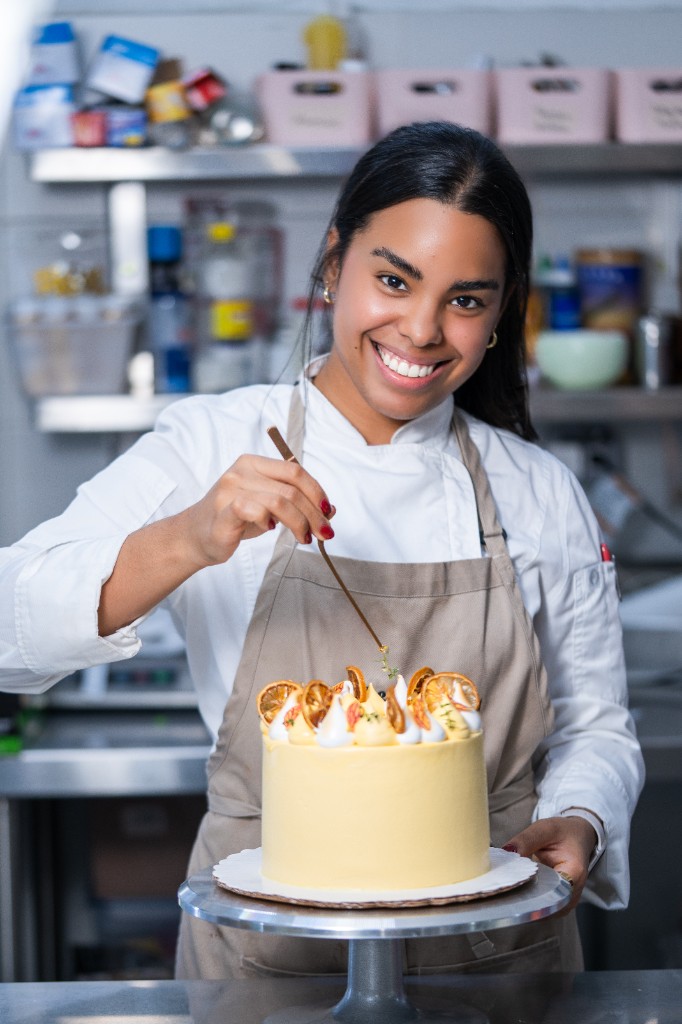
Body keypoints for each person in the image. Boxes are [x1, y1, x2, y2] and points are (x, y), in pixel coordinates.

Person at [0, 121, 644, 978]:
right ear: (334, 263)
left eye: (464, 299)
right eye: (392, 279)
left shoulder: (537, 488)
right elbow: (10, 630)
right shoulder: (210, 444)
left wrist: (583, 819)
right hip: (270, 944)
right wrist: (189, 536)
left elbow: (596, 723)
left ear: (499, 315)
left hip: (497, 941)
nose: (420, 330)